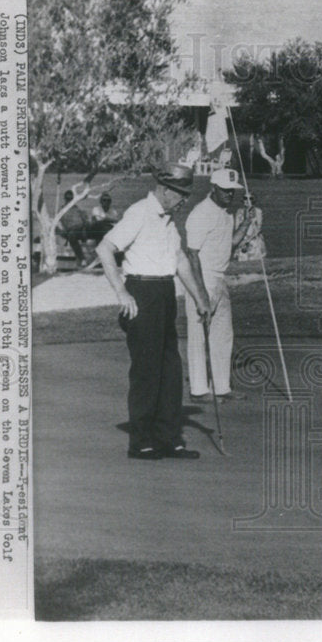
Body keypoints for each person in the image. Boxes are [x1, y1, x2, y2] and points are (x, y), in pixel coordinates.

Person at [94, 165, 212, 460]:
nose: (185, 200)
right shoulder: (139, 213)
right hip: (142, 293)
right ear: (165, 190)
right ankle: (142, 441)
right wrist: (122, 291)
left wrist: (199, 296)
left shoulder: (170, 221)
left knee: (170, 371)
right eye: (182, 194)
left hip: (164, 294)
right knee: (147, 372)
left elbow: (179, 259)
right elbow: (104, 248)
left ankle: (168, 438)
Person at [183, 167, 254, 403]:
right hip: (202, 278)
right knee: (198, 336)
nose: (230, 195)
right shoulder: (201, 213)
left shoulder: (225, 214)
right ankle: (199, 390)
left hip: (220, 279)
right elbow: (192, 254)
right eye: (225, 191)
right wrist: (200, 292)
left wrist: (245, 225)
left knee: (223, 335)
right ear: (213, 188)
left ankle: (222, 387)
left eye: (232, 191)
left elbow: (229, 245)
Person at [57, 189, 90, 266]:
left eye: (71, 199)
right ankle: (82, 258)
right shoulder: (62, 209)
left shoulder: (77, 209)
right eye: (68, 199)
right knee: (71, 236)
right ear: (65, 199)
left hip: (81, 229)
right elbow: (59, 222)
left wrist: (85, 220)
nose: (69, 201)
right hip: (70, 230)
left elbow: (85, 220)